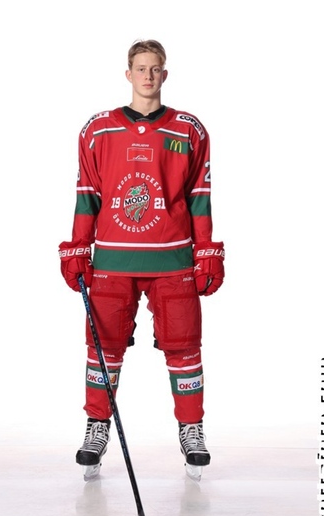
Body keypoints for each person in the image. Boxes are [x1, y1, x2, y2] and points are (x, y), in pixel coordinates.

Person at [59, 39, 225, 480]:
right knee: (103, 348)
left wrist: (206, 250)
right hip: (113, 260)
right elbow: (87, 195)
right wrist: (78, 246)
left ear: (164, 74)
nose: (148, 76)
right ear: (128, 74)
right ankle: (97, 426)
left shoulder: (189, 130)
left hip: (173, 259)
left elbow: (200, 196)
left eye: (155, 69)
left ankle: (191, 429)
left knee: (185, 346)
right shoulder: (98, 130)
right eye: (141, 68)